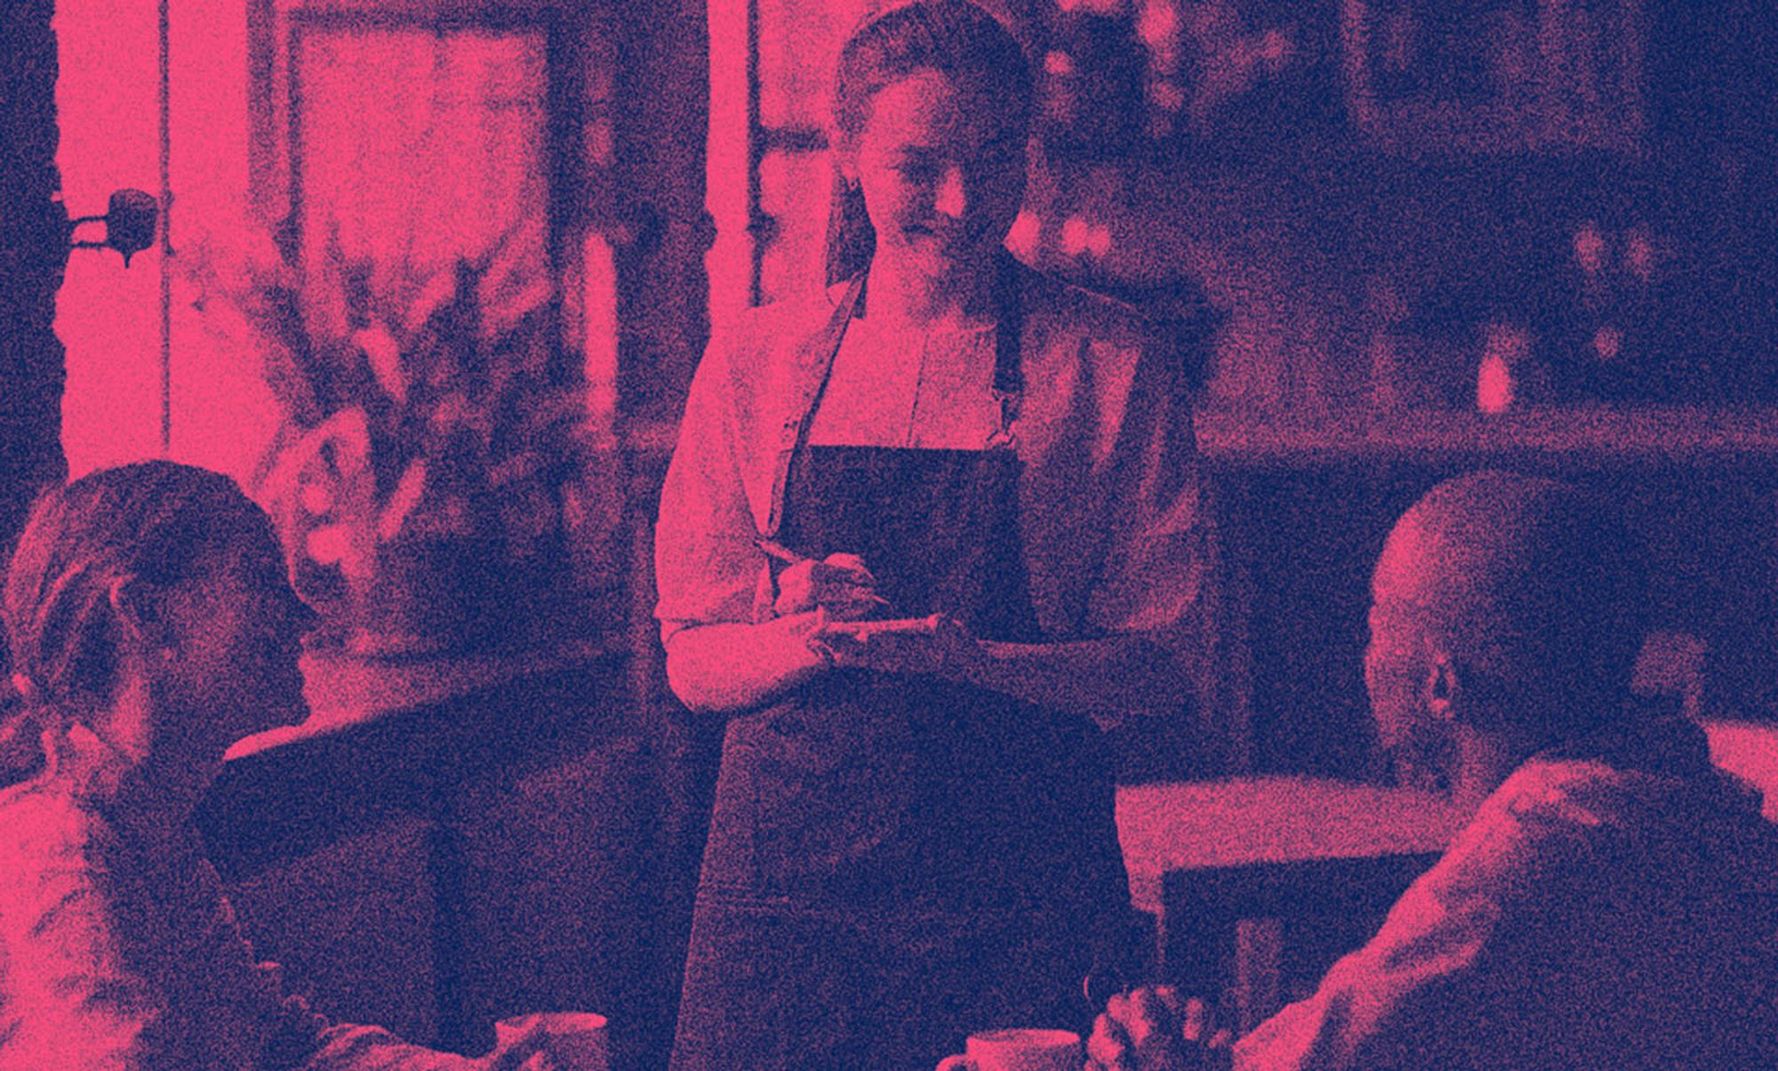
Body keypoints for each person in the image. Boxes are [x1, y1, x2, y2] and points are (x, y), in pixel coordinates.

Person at [653, 2, 1211, 1067]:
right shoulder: (755, 361)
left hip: (1016, 892)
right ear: (848, 157)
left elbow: (1157, 668)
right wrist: (806, 638)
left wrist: (978, 663)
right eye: (921, 166)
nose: (960, 203)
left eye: (994, 161)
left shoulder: (1109, 363)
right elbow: (693, 659)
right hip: (784, 907)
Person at [1087, 470, 1778, 1071]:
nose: (1364, 655)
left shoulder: (1520, 866)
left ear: (1441, 684)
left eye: (1377, 620)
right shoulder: (1708, 814)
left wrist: (1154, 1047)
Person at [0, 461, 593, 1070]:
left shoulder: (148, 827)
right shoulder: (59, 864)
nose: (307, 615)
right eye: (262, 582)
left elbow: (286, 1046)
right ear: (147, 615)